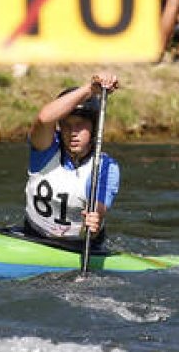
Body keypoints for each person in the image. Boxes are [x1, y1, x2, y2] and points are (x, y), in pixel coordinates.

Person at [24, 74, 120, 247]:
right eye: (67, 125)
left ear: (94, 128)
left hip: (79, 244)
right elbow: (44, 118)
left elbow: (98, 208)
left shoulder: (105, 166)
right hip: (33, 235)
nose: (72, 132)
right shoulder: (45, 149)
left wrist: (94, 221)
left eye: (80, 124)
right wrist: (90, 89)